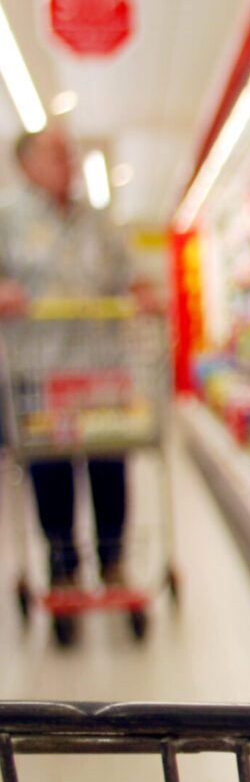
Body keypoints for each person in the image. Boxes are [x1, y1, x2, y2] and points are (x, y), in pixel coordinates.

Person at [0, 125, 158, 588]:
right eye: (56, 156)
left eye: (70, 156)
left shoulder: (98, 221)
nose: (68, 164)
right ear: (26, 165)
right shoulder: (7, 220)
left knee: (108, 463)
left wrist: (145, 295)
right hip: (40, 372)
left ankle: (112, 562)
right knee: (50, 471)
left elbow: (131, 273)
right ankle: (62, 564)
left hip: (99, 371)